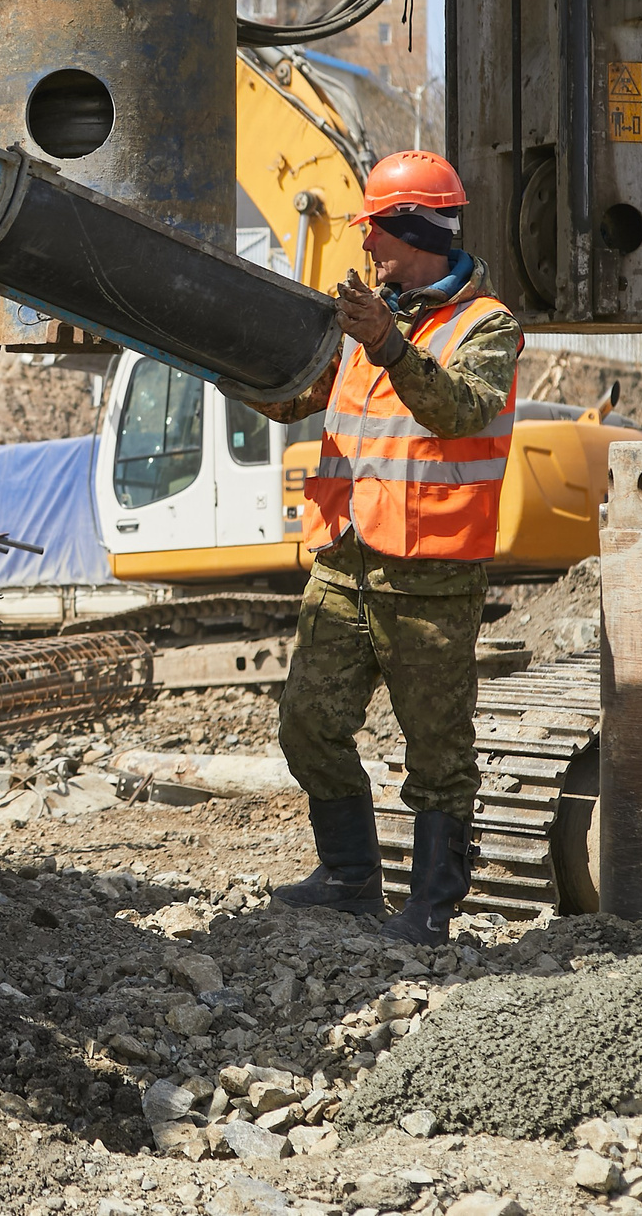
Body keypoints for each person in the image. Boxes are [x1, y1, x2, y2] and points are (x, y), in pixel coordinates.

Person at [240, 150, 522, 945]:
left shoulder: (486, 325)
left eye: (377, 230)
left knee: (438, 754)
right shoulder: (364, 318)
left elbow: (461, 410)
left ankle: (430, 907)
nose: (366, 244)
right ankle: (349, 877)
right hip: (346, 560)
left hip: (431, 577)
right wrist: (229, 358)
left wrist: (391, 346)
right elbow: (296, 396)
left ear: (418, 230)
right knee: (307, 724)